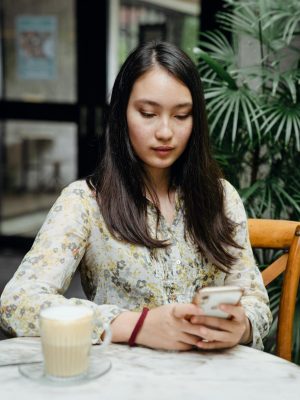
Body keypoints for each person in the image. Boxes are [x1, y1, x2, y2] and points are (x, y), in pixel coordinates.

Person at [0, 41, 272, 351]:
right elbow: (17, 303)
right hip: (125, 382)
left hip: (210, 379)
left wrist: (241, 326)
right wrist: (137, 326)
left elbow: (257, 304)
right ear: (121, 114)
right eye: (148, 113)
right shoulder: (86, 203)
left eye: (181, 116)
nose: (165, 131)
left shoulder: (221, 197)